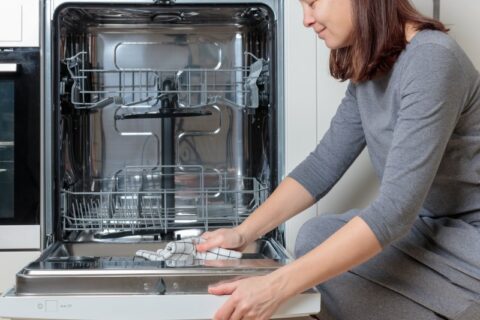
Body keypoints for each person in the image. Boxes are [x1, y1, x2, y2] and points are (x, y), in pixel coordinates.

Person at [196, 0, 480, 319]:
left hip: (470, 243)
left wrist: (275, 287)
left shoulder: (432, 59)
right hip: (431, 228)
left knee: (315, 271)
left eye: (313, 3)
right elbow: (322, 166)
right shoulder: (373, 70)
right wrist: (243, 233)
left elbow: (394, 211)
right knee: (316, 236)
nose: (306, 20)